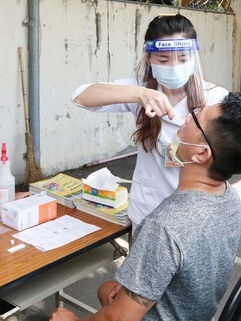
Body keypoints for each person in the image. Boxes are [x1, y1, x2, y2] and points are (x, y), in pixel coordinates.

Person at [51, 92, 241, 321]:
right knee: (107, 289)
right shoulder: (230, 198)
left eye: (196, 117)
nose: (187, 117)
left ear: (201, 153)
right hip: (196, 314)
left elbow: (118, 319)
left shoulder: (165, 226)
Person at [72, 14, 228, 229]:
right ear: (149, 58)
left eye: (183, 59)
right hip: (148, 209)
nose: (174, 67)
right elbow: (81, 96)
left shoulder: (215, 97)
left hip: (196, 212)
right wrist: (139, 94)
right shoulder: (141, 89)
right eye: (163, 60)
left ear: (194, 58)